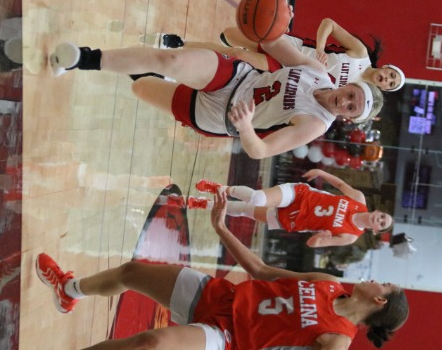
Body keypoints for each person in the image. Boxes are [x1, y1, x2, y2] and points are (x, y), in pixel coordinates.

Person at [35, 189, 409, 349]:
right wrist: (221, 228)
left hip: (227, 339)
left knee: (151, 343)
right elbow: (262, 271)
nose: (376, 279)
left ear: (379, 300)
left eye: (384, 284)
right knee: (132, 271)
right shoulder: (328, 283)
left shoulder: (337, 340)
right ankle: (68, 290)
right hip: (222, 297)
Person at [49, 39, 384, 159]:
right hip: (236, 78)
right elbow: (275, 45)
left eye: (351, 108)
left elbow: (260, 151)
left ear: (348, 118)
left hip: (219, 116)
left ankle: (142, 71)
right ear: (350, 85)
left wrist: (246, 127)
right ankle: (81, 58)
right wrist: (274, 24)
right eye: (351, 95)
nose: (345, 102)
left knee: (141, 87)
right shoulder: (318, 72)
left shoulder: (314, 125)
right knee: (171, 60)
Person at [158, 17, 406, 92]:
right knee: (229, 34)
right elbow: (328, 23)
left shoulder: (357, 94)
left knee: (234, 54)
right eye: (391, 75)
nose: (388, 79)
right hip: (291, 47)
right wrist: (320, 49)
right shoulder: (360, 53)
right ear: (388, 68)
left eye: (391, 84)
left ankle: (179, 46)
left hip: (288, 71)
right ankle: (190, 52)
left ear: (384, 89)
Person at [184, 168, 393, 247]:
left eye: (382, 224)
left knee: (243, 211)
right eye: (382, 216)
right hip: (300, 195)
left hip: (293, 220)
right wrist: (321, 173)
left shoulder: (350, 237)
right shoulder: (358, 198)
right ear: (377, 211)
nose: (380, 219)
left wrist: (321, 238)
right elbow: (340, 184)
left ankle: (204, 204)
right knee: (257, 198)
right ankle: (220, 188)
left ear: (376, 230)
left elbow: (312, 244)